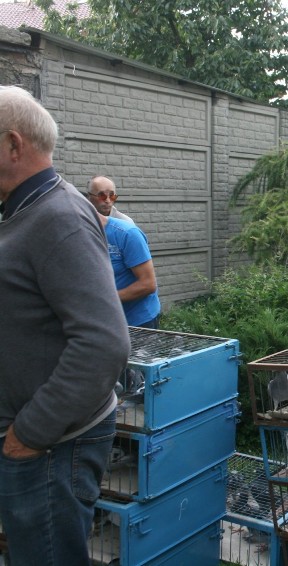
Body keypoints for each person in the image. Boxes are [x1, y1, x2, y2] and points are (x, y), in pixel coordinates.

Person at [0, 86, 130, 564]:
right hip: (39, 443)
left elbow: (103, 343)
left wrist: (28, 435)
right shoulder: (26, 211)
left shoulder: (59, 218)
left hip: (51, 447)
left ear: (14, 146)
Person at [98, 212, 162, 329]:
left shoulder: (127, 233)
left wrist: (103, 300)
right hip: (105, 320)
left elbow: (148, 284)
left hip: (138, 321)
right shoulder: (77, 236)